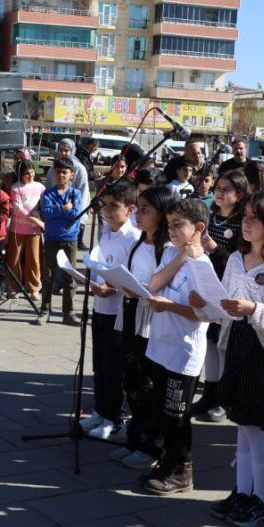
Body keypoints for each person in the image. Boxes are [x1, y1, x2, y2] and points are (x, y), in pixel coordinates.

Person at [197, 191, 264, 526]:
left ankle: (262, 498)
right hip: (239, 343)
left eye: (255, 217)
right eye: (245, 216)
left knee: (255, 427)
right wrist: (207, 301)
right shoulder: (236, 260)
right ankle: (242, 490)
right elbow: (224, 303)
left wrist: (255, 310)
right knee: (241, 424)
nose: (246, 222)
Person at [136, 197, 212, 495]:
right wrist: (181, 255)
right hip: (161, 345)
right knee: (161, 411)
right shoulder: (171, 253)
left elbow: (204, 314)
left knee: (177, 414)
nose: (171, 230)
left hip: (184, 351)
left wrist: (170, 307)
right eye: (169, 225)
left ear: (199, 228)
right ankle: (168, 462)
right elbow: (154, 284)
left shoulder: (202, 266)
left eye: (178, 225)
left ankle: (183, 469)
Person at [109, 186, 174, 470]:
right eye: (138, 207)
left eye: (146, 209)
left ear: (162, 215)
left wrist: (142, 291)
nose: (138, 213)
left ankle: (151, 446)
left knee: (148, 386)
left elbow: (165, 287)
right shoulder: (138, 242)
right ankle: (135, 438)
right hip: (130, 314)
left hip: (150, 321)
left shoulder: (168, 249)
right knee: (131, 381)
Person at [80, 181, 141, 441]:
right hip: (100, 306)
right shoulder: (106, 231)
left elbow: (133, 277)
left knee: (114, 365)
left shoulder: (134, 237)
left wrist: (113, 287)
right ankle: (101, 410)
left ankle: (115, 417)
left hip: (118, 310)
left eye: (114, 207)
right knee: (99, 363)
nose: (106, 211)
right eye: (104, 205)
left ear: (130, 210)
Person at [191, 169, 249, 424]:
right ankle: (210, 393)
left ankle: (226, 398)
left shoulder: (241, 222)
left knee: (224, 345)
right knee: (210, 342)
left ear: (239, 195)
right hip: (207, 287)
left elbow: (239, 262)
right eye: (219, 188)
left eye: (227, 190)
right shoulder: (210, 217)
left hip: (230, 291)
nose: (220, 193)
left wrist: (215, 250)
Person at [38, 157, 84, 326]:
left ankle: (69, 312)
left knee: (69, 278)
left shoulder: (75, 193)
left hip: (69, 239)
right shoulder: (48, 193)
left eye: (65, 172)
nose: (61, 175)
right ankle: (45, 310)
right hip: (51, 238)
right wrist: (64, 208)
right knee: (48, 276)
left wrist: (63, 211)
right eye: (58, 172)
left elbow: (76, 214)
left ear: (72, 174)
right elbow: (47, 213)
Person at [7, 160, 44, 299]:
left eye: (32, 172)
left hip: (35, 230)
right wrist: (34, 219)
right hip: (18, 229)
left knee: (34, 259)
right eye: (26, 174)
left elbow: (44, 203)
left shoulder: (40, 186)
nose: (30, 175)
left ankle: (34, 287)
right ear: (20, 175)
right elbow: (17, 208)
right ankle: (13, 286)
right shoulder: (16, 188)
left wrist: (40, 218)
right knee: (14, 259)